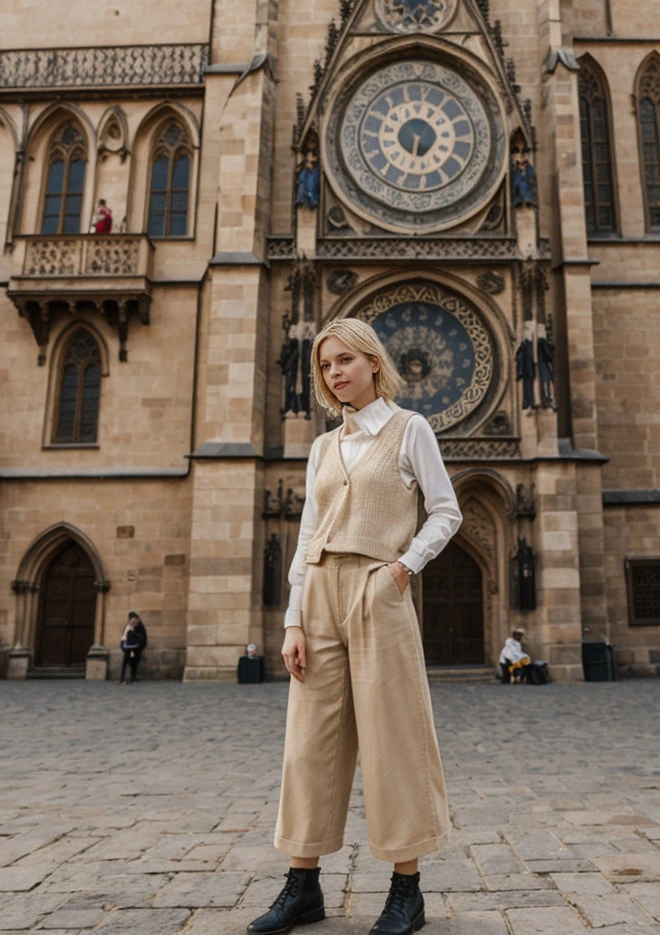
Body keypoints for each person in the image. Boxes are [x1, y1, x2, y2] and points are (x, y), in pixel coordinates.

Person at [247, 318, 462, 935]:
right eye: (324, 365)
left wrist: (401, 569)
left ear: (372, 362)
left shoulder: (409, 429)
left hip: (376, 591)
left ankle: (406, 890)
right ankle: (303, 886)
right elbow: (307, 534)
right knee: (309, 745)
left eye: (344, 360)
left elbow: (446, 511)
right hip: (318, 595)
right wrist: (292, 619)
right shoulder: (323, 446)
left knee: (395, 740)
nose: (334, 372)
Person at [119, 611, 147, 685]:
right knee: (126, 663)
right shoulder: (129, 627)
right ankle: (123, 679)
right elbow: (125, 637)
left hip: (134, 648)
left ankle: (132, 677)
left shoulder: (137, 626)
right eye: (132, 620)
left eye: (134, 620)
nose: (133, 621)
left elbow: (142, 637)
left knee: (134, 663)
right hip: (129, 647)